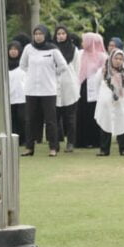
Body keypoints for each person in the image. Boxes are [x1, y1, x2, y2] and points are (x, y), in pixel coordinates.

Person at [21, 24, 69, 157]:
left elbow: (63, 66)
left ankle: (53, 147)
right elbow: (23, 65)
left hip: (48, 90)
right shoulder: (28, 48)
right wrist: (32, 75)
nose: (38, 36)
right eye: (36, 34)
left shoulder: (53, 49)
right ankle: (29, 147)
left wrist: (53, 74)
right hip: (31, 90)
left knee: (50, 120)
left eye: (40, 34)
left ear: (45, 35)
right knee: (30, 119)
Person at [94, 49, 124, 157]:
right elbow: (96, 84)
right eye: (116, 58)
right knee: (105, 124)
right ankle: (104, 149)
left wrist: (123, 96)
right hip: (106, 103)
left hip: (121, 103)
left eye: (120, 59)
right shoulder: (103, 71)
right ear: (111, 58)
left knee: (123, 124)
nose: (118, 61)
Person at [76, 32, 108, 150]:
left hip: (96, 89)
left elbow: (104, 73)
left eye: (85, 41)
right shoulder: (80, 54)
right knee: (82, 114)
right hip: (82, 88)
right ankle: (81, 141)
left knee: (94, 114)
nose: (82, 43)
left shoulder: (102, 56)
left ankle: (95, 140)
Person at [53, 25, 81, 153]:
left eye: (63, 33)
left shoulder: (74, 49)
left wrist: (77, 86)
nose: (60, 36)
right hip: (53, 85)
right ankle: (55, 143)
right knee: (54, 117)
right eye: (58, 34)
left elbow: (77, 69)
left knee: (70, 117)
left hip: (70, 85)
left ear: (67, 35)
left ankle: (71, 142)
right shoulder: (51, 49)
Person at [7, 41, 27, 147]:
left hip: (22, 96)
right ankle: (14, 139)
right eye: (11, 49)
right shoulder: (4, 65)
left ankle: (24, 139)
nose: (13, 52)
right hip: (9, 97)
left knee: (22, 118)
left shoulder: (23, 64)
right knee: (12, 119)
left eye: (15, 49)